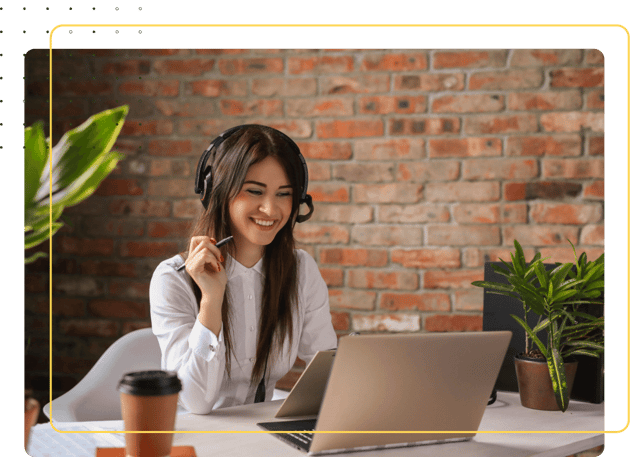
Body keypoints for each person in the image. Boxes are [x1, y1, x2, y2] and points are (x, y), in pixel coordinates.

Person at [149, 124, 338, 414]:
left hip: (261, 436)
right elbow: (196, 402)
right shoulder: (172, 279)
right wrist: (211, 300)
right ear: (217, 192)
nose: (271, 209)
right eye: (254, 191)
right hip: (193, 438)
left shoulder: (301, 270)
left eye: (284, 194)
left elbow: (328, 371)